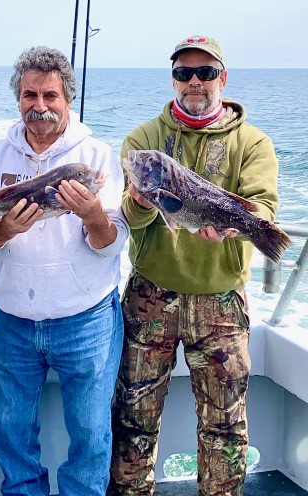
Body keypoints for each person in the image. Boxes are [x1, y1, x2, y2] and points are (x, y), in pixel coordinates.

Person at [109, 35, 279, 496]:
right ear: (174, 80)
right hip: (149, 298)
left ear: (222, 78)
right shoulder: (144, 141)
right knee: (132, 419)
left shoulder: (253, 142)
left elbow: (262, 205)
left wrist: (239, 228)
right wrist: (140, 200)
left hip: (222, 304)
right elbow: (131, 218)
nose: (195, 82)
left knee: (225, 426)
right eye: (184, 73)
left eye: (205, 73)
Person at [0, 46, 127, 496]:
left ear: (67, 100)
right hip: (14, 319)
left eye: (50, 95)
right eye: (29, 95)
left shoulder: (96, 156)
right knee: (9, 432)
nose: (40, 106)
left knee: (91, 435)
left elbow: (113, 243)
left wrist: (93, 214)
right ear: (18, 99)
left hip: (86, 319)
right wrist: (3, 229)